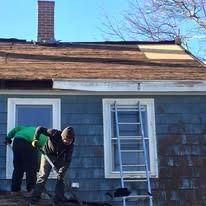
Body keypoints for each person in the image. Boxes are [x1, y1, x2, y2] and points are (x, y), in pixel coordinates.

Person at [29, 126, 75, 206]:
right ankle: (34, 200)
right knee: (42, 176)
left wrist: (62, 170)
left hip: (59, 158)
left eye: (69, 141)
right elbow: (39, 129)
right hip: (47, 154)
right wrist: (35, 139)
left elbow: (68, 160)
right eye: (66, 140)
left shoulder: (71, 145)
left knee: (61, 178)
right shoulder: (54, 133)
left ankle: (58, 201)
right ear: (62, 137)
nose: (67, 142)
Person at [4, 126, 47, 196]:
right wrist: (38, 167)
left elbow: (15, 129)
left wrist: (8, 138)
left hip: (17, 141)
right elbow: (39, 155)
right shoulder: (46, 140)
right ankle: (31, 190)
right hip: (28, 143)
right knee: (31, 168)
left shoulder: (26, 128)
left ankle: (15, 190)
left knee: (18, 168)